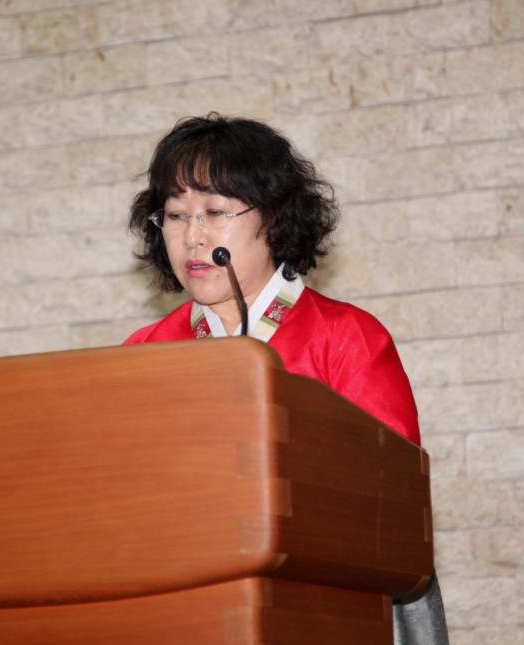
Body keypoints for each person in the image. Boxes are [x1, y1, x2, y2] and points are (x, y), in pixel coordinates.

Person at [123, 113, 448, 643]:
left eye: (215, 212)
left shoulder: (347, 337)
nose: (192, 237)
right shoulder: (142, 352)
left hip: (328, 610)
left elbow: (392, 507)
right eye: (176, 216)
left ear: (273, 218)